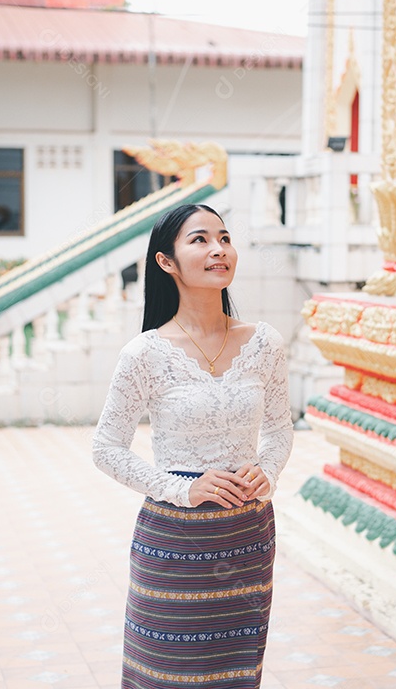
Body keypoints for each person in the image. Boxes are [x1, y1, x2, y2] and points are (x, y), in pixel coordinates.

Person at [92, 203, 294, 688]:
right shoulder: (146, 353)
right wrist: (182, 489)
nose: (218, 250)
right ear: (167, 261)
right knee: (167, 672)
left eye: (224, 238)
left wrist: (267, 469)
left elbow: (281, 428)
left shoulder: (265, 344)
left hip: (246, 533)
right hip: (175, 540)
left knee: (236, 672)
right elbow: (106, 448)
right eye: (200, 240)